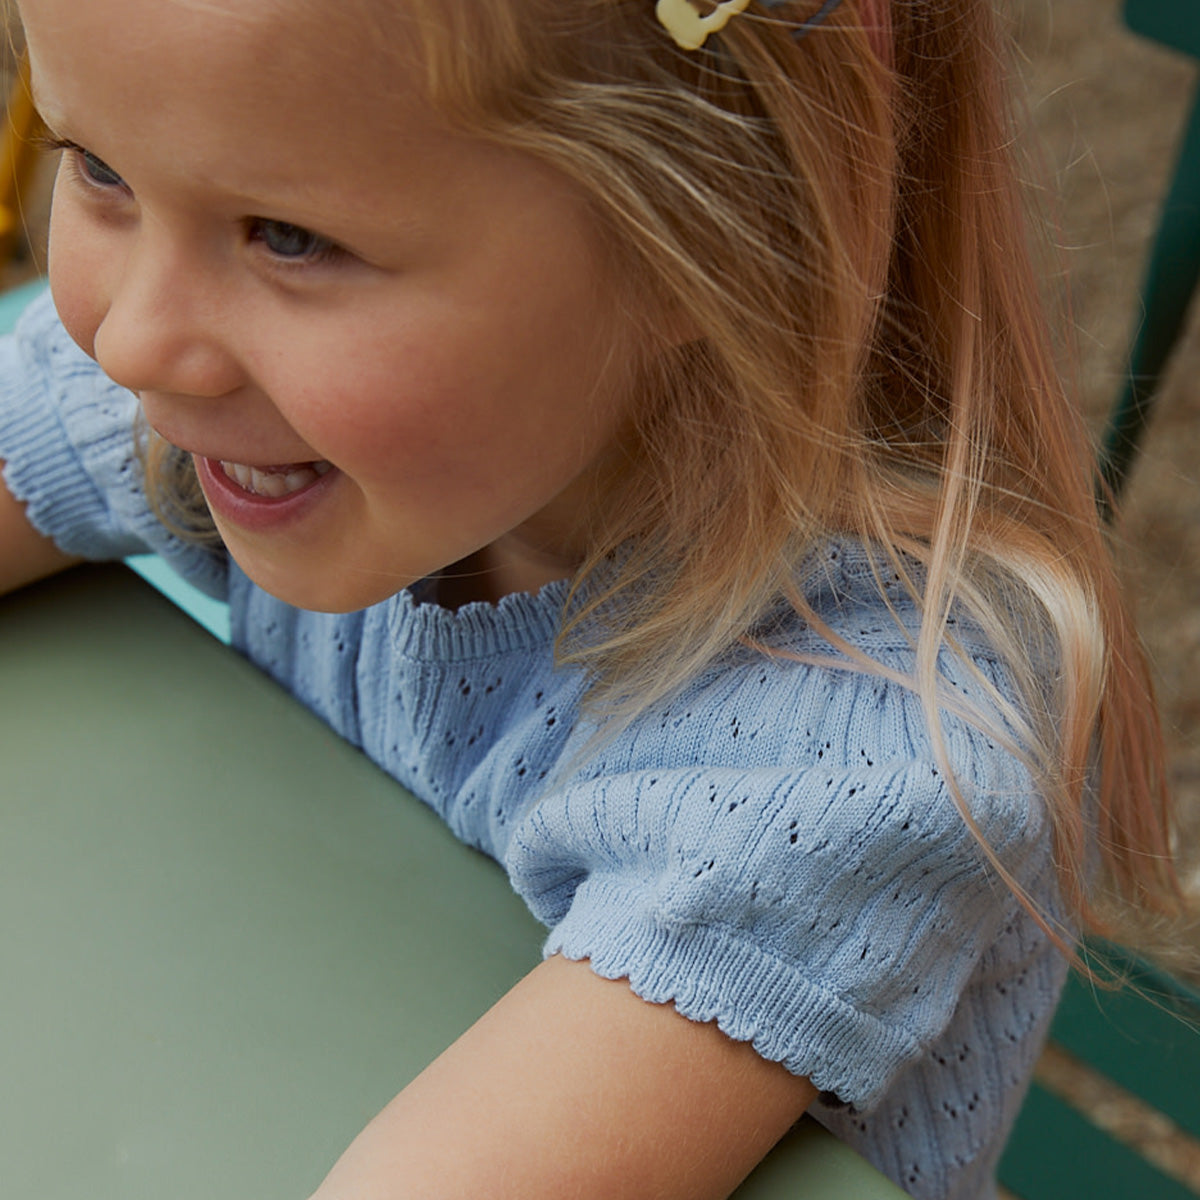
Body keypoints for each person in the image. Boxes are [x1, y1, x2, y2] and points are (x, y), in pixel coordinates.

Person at [0, 0, 1186, 1197]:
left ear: (711, 240)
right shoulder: (289, 419)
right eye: (100, 168)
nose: (136, 340)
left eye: (289, 240)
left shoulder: (857, 744)